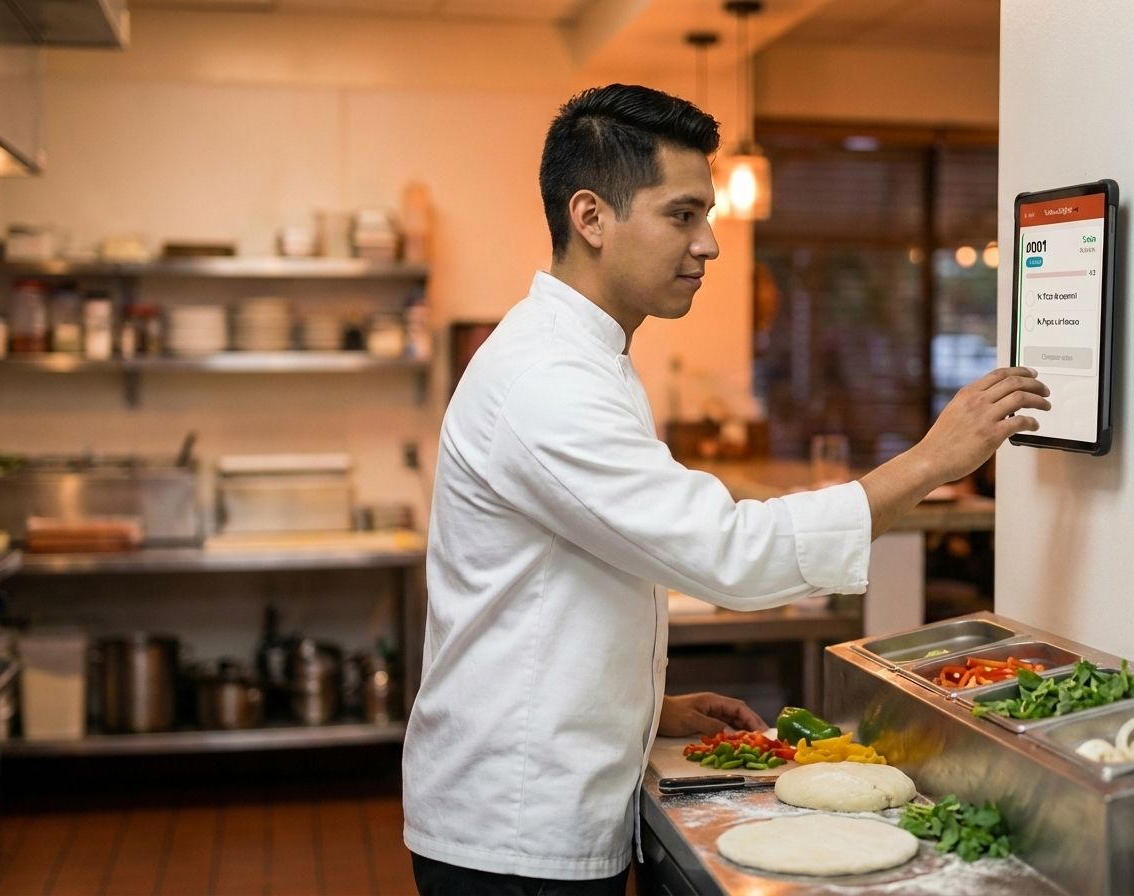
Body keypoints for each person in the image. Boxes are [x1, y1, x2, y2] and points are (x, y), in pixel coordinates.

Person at [402, 83, 1049, 895]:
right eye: (681, 215)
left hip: (544, 792)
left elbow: (568, 589)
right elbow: (726, 552)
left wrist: (647, 704)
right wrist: (928, 461)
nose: (708, 244)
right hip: (516, 825)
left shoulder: (584, 356)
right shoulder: (545, 378)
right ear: (591, 216)